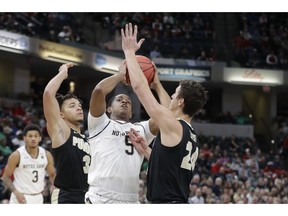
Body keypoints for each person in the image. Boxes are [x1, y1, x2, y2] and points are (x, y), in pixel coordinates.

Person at [122, 23, 208, 203]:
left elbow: (139, 87)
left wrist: (129, 52)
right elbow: (169, 168)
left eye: (175, 93)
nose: (171, 95)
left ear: (181, 101)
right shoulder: (190, 134)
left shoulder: (174, 125)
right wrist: (146, 149)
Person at [85, 59, 170, 204]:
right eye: (119, 99)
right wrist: (120, 75)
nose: (124, 101)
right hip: (100, 197)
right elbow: (99, 91)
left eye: (128, 101)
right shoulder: (100, 124)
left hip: (130, 199)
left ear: (131, 113)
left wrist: (157, 85)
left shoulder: (141, 129)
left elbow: (168, 114)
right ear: (109, 109)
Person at [43, 62, 91, 204]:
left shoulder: (89, 140)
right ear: (61, 115)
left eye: (80, 106)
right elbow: (48, 94)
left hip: (89, 196)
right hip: (67, 196)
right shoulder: (62, 132)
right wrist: (62, 74)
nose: (78, 108)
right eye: (72, 106)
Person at [1, 124, 55, 204]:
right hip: (20, 197)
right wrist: (16, 192)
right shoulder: (16, 155)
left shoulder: (47, 155)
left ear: (40, 138)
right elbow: (5, 177)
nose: (33, 138)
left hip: (38, 197)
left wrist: (54, 186)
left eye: (36, 136)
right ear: (24, 138)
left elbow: (52, 174)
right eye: (30, 136)